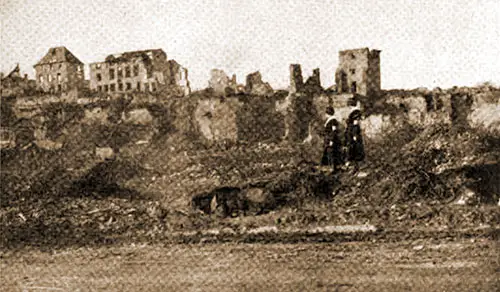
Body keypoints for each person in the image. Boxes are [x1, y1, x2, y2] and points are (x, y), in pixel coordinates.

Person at [321, 106, 343, 172]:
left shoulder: (333, 121)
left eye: (326, 113)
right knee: (329, 153)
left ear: (328, 113)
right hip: (328, 139)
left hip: (331, 140)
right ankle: (331, 167)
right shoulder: (330, 120)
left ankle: (333, 168)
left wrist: (331, 140)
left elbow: (334, 131)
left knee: (332, 153)